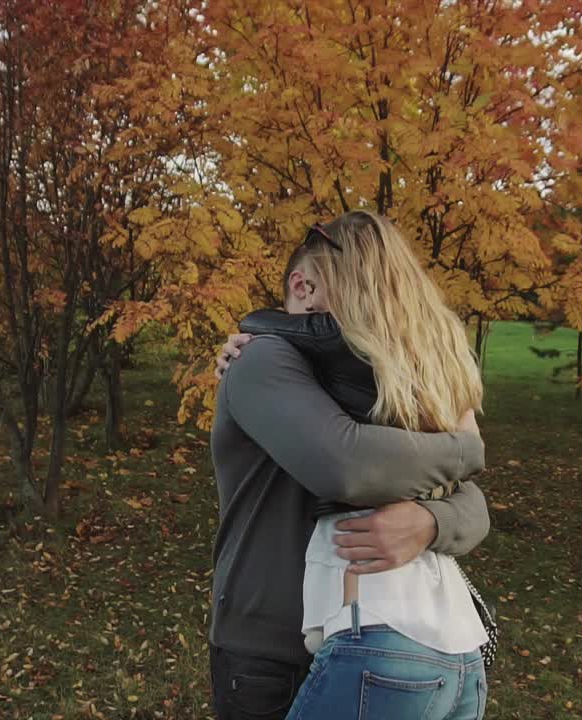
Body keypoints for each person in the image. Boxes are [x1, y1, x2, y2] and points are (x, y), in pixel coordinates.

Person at [210, 215, 490, 720]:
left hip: (370, 630)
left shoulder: (367, 377)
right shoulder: (263, 359)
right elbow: (348, 466)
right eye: (370, 291)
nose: (386, 311)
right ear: (304, 285)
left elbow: (473, 505)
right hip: (275, 649)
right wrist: (467, 449)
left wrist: (432, 523)